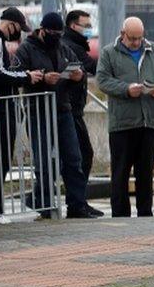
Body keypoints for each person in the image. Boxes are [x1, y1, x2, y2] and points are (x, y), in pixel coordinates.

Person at [15, 12, 99, 219]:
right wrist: (42, 78)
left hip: (63, 109)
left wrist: (76, 76)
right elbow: (17, 74)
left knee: (73, 158)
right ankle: (44, 205)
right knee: (43, 160)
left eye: (58, 33)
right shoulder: (27, 49)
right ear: (42, 30)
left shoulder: (63, 47)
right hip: (39, 110)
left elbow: (77, 66)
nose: (55, 36)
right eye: (51, 32)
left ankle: (76, 205)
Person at [95, 17, 154, 218]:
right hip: (122, 123)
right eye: (132, 39)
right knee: (120, 173)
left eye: (140, 38)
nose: (136, 42)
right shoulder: (108, 53)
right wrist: (126, 89)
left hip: (149, 121)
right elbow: (102, 80)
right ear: (123, 34)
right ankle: (120, 214)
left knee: (145, 172)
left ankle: (145, 213)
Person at [0, 7, 42, 224]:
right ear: (10, 24)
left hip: (2, 110)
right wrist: (25, 76)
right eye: (19, 29)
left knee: (1, 160)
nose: (19, 34)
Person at [61, 10, 101, 215]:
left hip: (75, 109)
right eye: (85, 26)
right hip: (71, 109)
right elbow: (94, 66)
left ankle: (78, 201)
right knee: (81, 156)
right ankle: (76, 202)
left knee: (80, 156)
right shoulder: (71, 46)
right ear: (72, 25)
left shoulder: (75, 44)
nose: (88, 29)